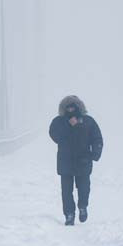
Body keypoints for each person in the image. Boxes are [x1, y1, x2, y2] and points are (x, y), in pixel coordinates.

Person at [48, 95, 104, 226]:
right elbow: (54, 135)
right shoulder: (59, 121)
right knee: (66, 191)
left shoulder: (88, 121)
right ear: (64, 108)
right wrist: (68, 125)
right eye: (68, 107)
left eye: (73, 107)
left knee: (84, 188)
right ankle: (69, 214)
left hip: (83, 160)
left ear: (79, 107)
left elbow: (97, 138)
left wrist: (95, 154)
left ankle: (82, 207)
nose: (71, 109)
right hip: (65, 161)